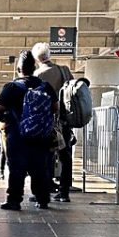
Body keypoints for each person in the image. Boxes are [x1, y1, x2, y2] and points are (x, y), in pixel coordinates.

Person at [0, 49, 57, 210]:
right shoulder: (45, 86)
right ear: (34, 68)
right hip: (41, 136)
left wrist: (6, 118)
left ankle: (14, 200)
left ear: (18, 69)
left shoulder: (11, 87)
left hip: (17, 135)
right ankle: (42, 199)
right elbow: (55, 108)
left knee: (16, 168)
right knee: (40, 167)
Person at [32, 42, 73, 202]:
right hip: (64, 120)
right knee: (65, 154)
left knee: (44, 155)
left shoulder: (37, 76)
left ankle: (44, 190)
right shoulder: (64, 71)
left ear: (36, 58)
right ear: (49, 55)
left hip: (45, 121)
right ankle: (64, 192)